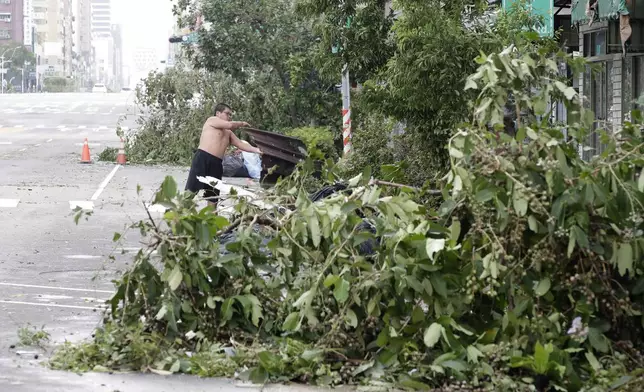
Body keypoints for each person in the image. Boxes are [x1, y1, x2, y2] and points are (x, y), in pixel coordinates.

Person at [185, 103, 263, 207]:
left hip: (216, 164)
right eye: (227, 114)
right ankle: (177, 216)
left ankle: (211, 220)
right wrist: (242, 123)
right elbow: (230, 125)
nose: (229, 117)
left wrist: (257, 150)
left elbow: (240, 144)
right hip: (203, 158)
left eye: (231, 115)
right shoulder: (211, 120)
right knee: (191, 191)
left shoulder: (228, 133)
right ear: (218, 113)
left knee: (213, 196)